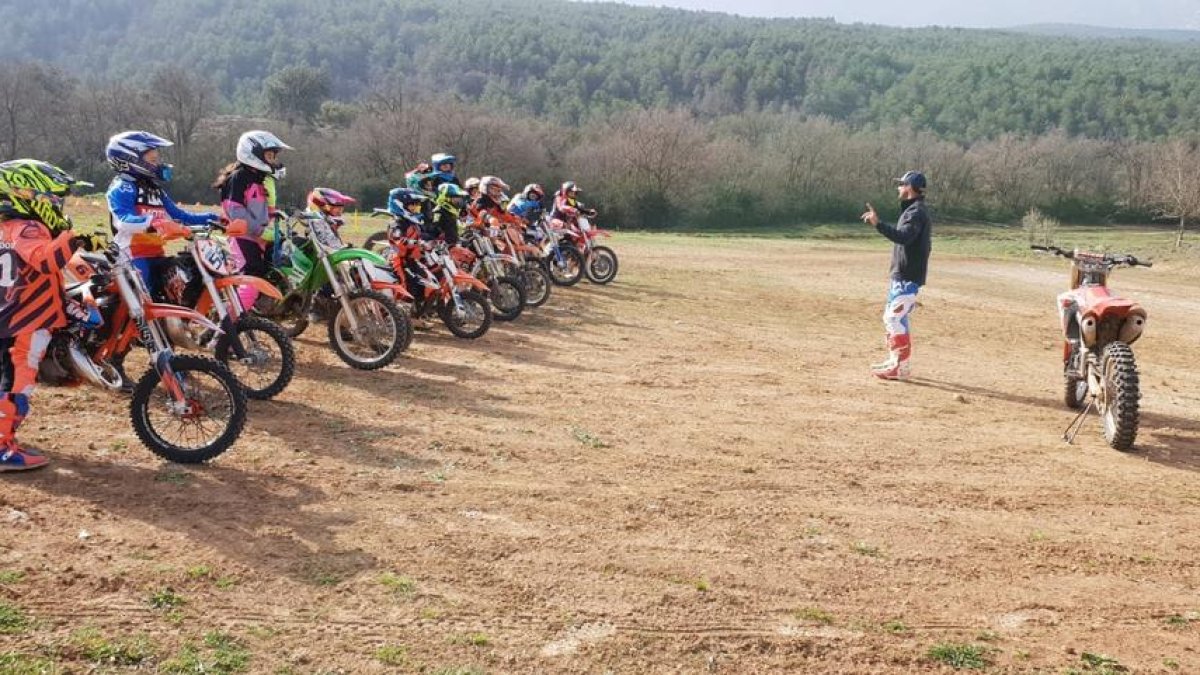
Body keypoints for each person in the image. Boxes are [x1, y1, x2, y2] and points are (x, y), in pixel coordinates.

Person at [0, 160, 102, 472]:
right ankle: (2, 448)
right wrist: (74, 238)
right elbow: (45, 260)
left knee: (8, 377)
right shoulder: (28, 228)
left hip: (10, 315)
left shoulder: (7, 227)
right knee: (18, 381)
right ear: (26, 196)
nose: (58, 205)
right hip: (25, 321)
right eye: (53, 199)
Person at [105, 131, 217, 296]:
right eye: (153, 161)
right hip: (131, 257)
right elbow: (123, 220)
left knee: (186, 282)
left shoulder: (155, 190)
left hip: (157, 254)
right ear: (131, 160)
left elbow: (181, 216)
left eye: (157, 160)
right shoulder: (122, 187)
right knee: (145, 299)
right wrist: (154, 222)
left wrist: (215, 218)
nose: (158, 165)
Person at [860, 170, 932, 381]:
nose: (898, 188)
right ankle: (897, 362)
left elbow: (904, 237)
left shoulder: (915, 212)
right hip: (903, 275)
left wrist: (878, 224)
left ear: (909, 187)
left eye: (901, 184)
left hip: (908, 276)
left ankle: (899, 366)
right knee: (894, 318)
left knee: (893, 318)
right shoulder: (913, 210)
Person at [213, 130, 291, 311]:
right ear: (252, 153)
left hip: (258, 237)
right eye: (269, 156)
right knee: (251, 281)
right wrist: (261, 230)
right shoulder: (239, 177)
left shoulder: (259, 178)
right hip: (242, 237)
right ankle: (231, 323)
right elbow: (236, 212)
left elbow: (262, 210)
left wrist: (274, 216)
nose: (273, 160)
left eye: (274, 156)